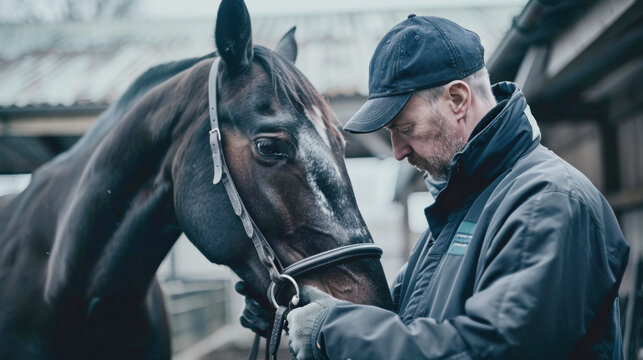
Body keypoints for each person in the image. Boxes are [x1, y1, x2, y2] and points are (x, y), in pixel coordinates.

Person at [238, 15, 630, 359]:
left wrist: (334, 331)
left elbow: (495, 349)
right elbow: (403, 323)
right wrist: (299, 315)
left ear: (457, 98)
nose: (397, 151)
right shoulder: (462, 206)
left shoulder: (547, 202)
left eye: (405, 129)